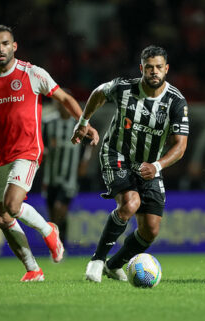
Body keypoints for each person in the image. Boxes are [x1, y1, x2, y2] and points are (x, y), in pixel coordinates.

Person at [0, 25, 99, 282]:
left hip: (28, 150)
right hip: (0, 156)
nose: (1, 49)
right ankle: (33, 269)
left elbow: (64, 98)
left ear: (14, 46)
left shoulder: (32, 73)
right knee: (2, 215)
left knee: (12, 204)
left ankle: (48, 230)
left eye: (6, 43)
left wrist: (83, 122)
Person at [71, 45, 189, 283]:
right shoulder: (124, 88)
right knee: (130, 203)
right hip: (117, 154)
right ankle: (97, 260)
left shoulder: (176, 102)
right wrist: (84, 120)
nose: (154, 72)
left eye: (158, 67)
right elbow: (98, 92)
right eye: (149, 67)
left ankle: (114, 265)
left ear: (166, 69)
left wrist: (157, 166)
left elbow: (180, 146)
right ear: (141, 68)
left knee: (150, 231)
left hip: (150, 166)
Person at [42, 103, 93, 244]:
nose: (64, 108)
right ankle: (59, 242)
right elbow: (40, 143)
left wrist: (84, 162)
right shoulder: (48, 123)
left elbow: (89, 144)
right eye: (61, 105)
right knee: (53, 212)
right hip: (50, 176)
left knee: (60, 208)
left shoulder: (79, 125)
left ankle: (60, 242)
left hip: (69, 178)